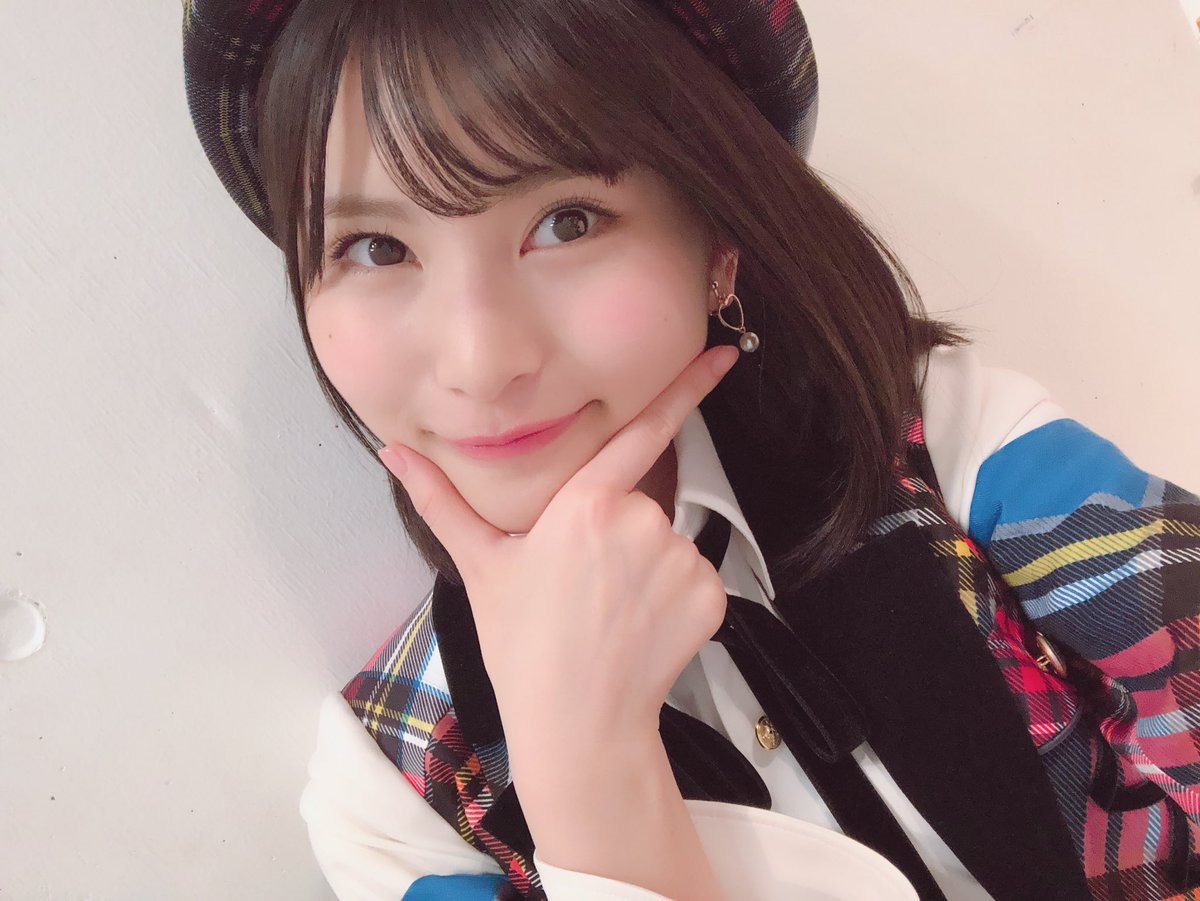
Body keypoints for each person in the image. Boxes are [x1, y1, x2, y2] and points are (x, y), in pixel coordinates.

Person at [183, 1, 1200, 898]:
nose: (480, 361)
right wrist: (589, 779)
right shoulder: (400, 791)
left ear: (718, 239)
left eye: (567, 221)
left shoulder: (952, 450)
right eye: (375, 248)